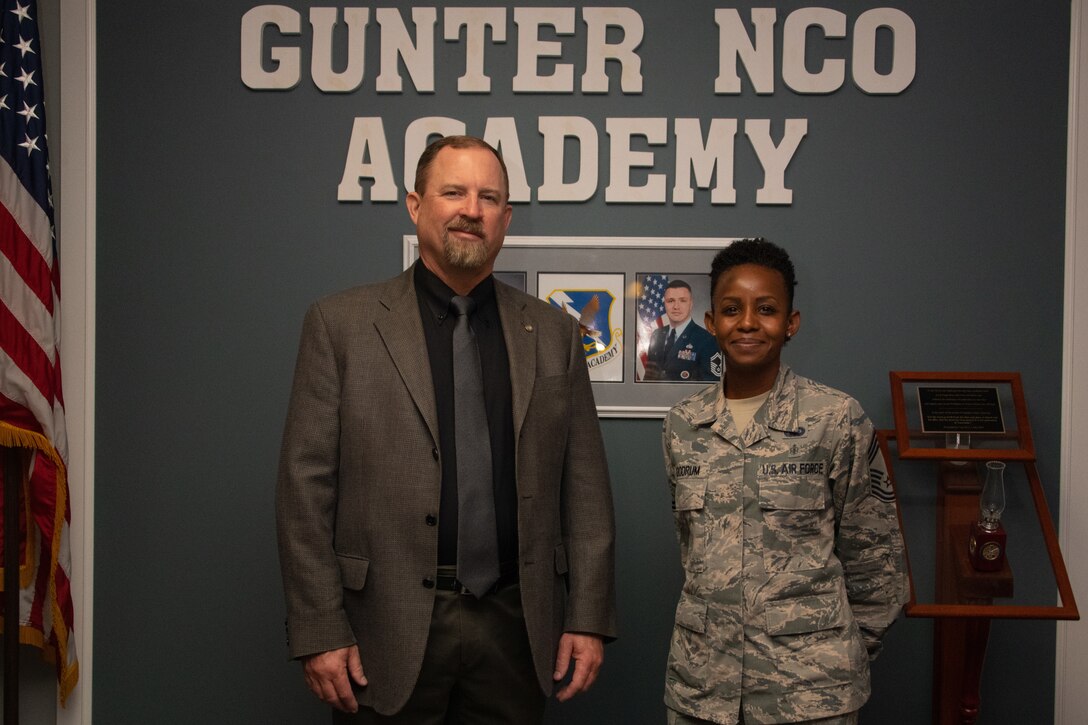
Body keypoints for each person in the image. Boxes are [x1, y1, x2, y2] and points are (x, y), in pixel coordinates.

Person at [276, 135, 617, 723]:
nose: (471, 210)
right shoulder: (341, 326)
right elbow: (304, 489)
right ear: (415, 205)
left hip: (516, 627)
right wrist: (319, 626)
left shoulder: (555, 335)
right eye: (453, 191)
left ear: (506, 218)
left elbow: (583, 488)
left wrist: (586, 615)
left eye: (489, 197)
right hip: (384, 629)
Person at [662, 238, 908, 725]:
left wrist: (834, 655)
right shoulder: (683, 424)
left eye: (767, 309)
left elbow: (876, 558)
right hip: (702, 687)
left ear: (791, 323)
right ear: (711, 323)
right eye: (731, 309)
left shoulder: (836, 418)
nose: (748, 322)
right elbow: (692, 550)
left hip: (810, 693)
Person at [644, 280, 720, 382]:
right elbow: (648, 379)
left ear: (691, 304)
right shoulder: (656, 335)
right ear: (664, 304)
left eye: (682, 300)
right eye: (671, 301)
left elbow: (711, 386)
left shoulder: (707, 340)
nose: (676, 307)